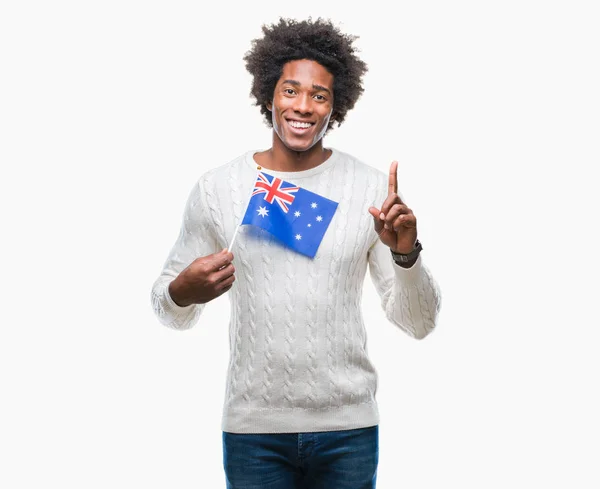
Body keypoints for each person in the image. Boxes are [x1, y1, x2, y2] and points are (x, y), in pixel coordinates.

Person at [150, 17, 442, 489]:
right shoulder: (217, 189)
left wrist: (406, 254)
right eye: (291, 90)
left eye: (319, 95)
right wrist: (183, 292)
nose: (303, 106)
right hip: (253, 434)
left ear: (336, 106)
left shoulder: (367, 190)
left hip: (348, 430)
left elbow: (419, 323)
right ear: (269, 95)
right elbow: (166, 307)